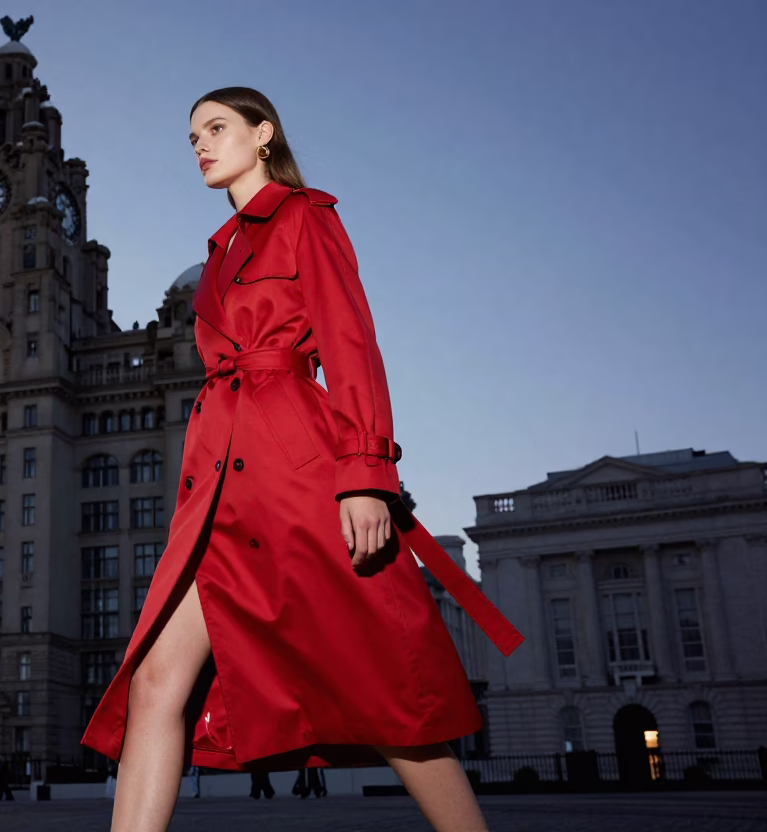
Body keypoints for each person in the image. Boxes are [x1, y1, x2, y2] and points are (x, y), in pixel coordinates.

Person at [79, 86, 524, 832]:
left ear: (264, 134)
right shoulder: (218, 255)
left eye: (217, 128)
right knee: (156, 681)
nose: (201, 145)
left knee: (384, 692)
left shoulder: (304, 217)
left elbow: (351, 347)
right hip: (217, 487)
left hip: (297, 474)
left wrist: (366, 476)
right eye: (192, 136)